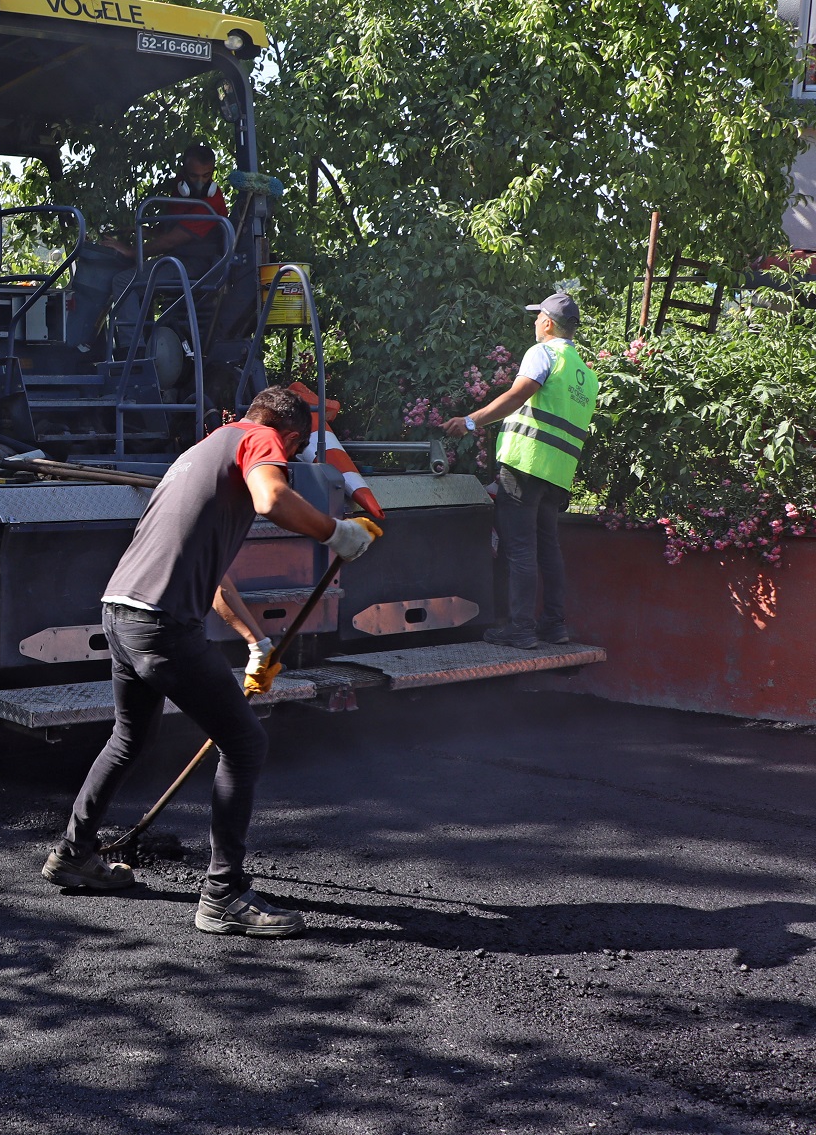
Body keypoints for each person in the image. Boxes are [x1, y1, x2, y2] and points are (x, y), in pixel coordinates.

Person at [42, 384, 380, 938]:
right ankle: (223, 895)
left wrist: (255, 642)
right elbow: (272, 499)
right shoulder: (261, 438)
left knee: (127, 739)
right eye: (293, 454)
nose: (288, 461)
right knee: (245, 744)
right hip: (160, 624)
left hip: (121, 611)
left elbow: (215, 577)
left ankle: (75, 856)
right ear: (288, 435)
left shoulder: (199, 454)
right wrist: (335, 532)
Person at [443, 291, 598, 649]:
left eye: (536, 317)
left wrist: (470, 421)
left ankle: (521, 628)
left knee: (520, 549)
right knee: (548, 549)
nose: (533, 323)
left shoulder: (543, 353)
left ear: (547, 322)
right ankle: (554, 626)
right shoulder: (585, 375)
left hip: (525, 464)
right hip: (557, 473)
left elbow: (518, 394)